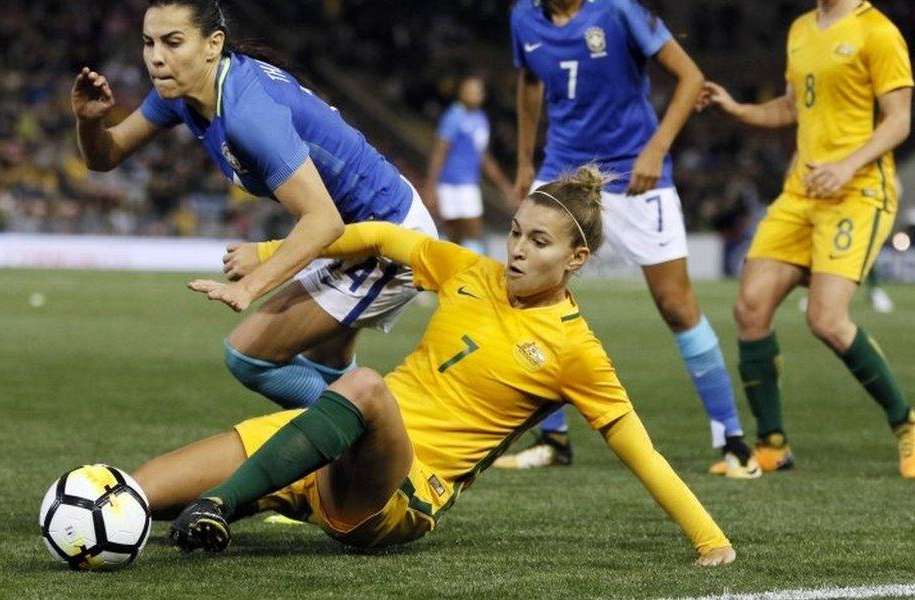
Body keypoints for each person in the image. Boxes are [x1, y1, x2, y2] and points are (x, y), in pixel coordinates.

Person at [136, 167, 736, 566]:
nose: (519, 250)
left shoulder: (577, 352)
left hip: (397, 496)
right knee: (129, 496)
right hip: (332, 440)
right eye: (516, 232)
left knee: (364, 384)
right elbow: (376, 235)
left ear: (577, 258)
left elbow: (643, 452)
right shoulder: (470, 272)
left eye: (540, 242)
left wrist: (711, 540)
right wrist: (270, 253)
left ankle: (222, 504)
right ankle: (171, 507)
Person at [72, 0, 436, 411]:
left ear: (213, 44)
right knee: (326, 367)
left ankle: (376, 441)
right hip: (358, 230)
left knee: (248, 356)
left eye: (173, 42)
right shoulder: (180, 94)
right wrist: (89, 121)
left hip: (387, 237)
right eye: (148, 42)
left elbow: (322, 221)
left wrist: (252, 283)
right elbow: (105, 156)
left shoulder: (248, 113)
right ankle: (363, 459)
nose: (156, 57)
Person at [502, 0, 758, 478]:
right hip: (564, 171)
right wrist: (523, 162)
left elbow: (691, 78)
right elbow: (530, 83)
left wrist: (656, 150)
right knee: (524, 295)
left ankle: (734, 442)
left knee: (676, 305)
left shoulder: (617, 10)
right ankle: (553, 438)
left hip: (636, 176)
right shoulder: (524, 17)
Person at [697, 0, 913, 477]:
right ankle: (772, 444)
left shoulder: (876, 32)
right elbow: (792, 107)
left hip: (857, 191)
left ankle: (907, 425)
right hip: (802, 191)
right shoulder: (800, 29)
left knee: (826, 319)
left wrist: (847, 165)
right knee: (750, 309)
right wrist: (737, 108)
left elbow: (899, 119)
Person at [423, 75, 514, 255]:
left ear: (482, 95)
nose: (472, 94)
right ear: (461, 93)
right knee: (455, 236)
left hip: (468, 185)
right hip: (449, 185)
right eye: (468, 90)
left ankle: (464, 275)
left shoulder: (481, 119)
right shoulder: (453, 116)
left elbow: (483, 157)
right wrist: (430, 186)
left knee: (472, 234)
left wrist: (505, 186)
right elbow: (440, 151)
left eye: (476, 91)